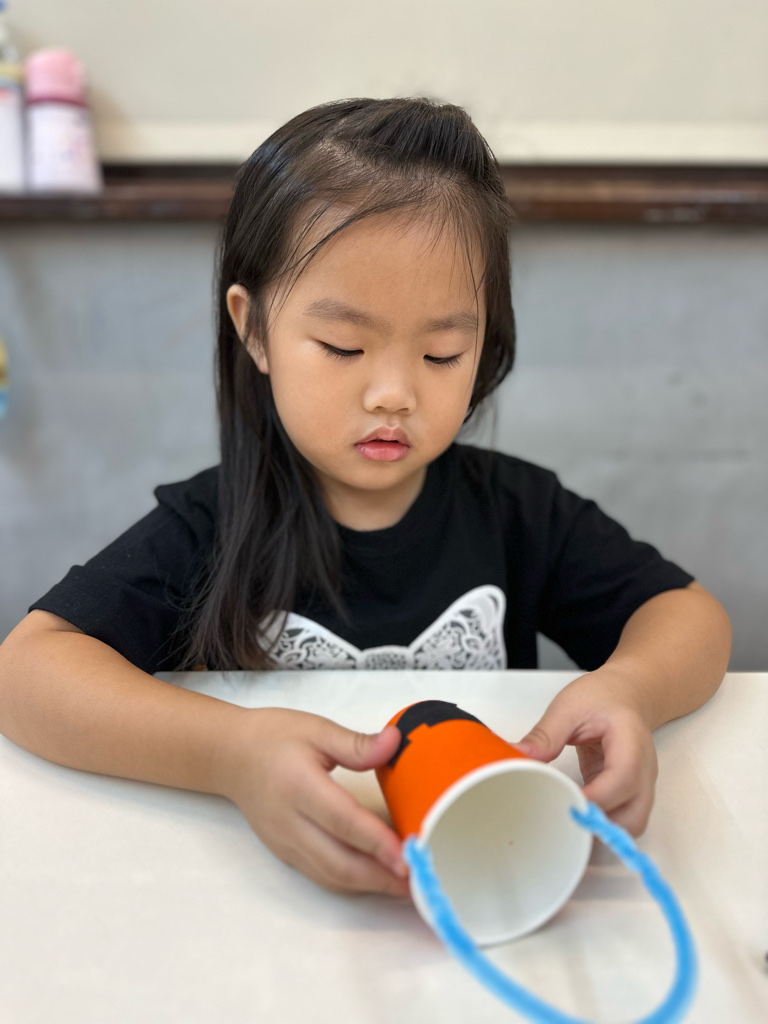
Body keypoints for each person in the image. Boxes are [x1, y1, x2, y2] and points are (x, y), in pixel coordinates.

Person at [0, 98, 731, 901]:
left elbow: (688, 616)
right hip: (276, 902)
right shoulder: (208, 526)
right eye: (344, 346)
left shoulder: (519, 510)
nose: (394, 394)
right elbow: (27, 671)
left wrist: (630, 689)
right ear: (254, 329)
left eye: (442, 353)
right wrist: (228, 753)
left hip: (491, 866)